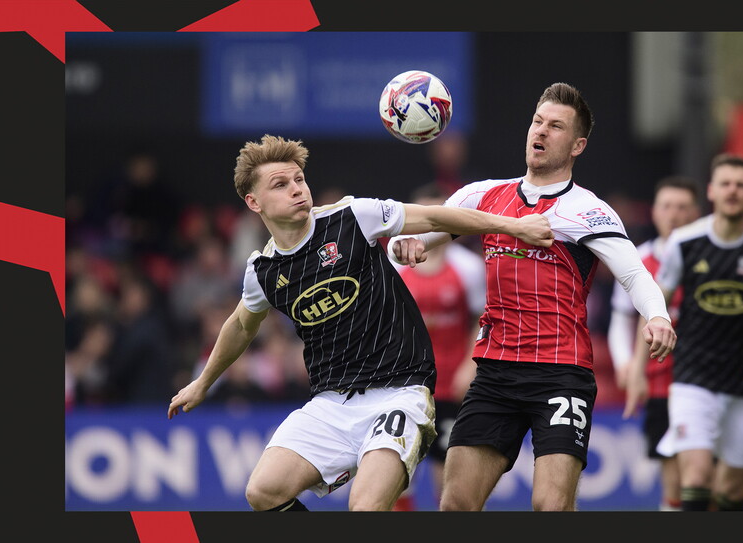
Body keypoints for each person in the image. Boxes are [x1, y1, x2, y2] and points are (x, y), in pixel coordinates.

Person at [167, 134, 554, 512]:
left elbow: (435, 216)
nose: (297, 189)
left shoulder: (353, 218)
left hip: (401, 391)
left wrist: (514, 226)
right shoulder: (263, 271)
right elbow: (240, 326)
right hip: (330, 404)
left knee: (366, 507)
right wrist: (203, 383)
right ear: (254, 202)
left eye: (299, 179)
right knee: (262, 491)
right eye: (281, 185)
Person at [389, 82, 677, 511]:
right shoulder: (482, 196)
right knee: (455, 505)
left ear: (578, 145)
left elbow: (634, 274)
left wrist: (657, 316)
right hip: (496, 372)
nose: (540, 132)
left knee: (551, 507)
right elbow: (416, 240)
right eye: (537, 121)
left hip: (561, 372)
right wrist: (408, 246)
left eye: (556, 126)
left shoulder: (588, 210)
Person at [649, 153, 743, 511]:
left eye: (741, 185)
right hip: (692, 375)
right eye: (725, 183)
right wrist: (648, 346)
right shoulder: (685, 242)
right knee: (698, 476)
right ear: (711, 192)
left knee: (732, 490)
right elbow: (658, 300)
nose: (732, 191)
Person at [390, 182, 486, 510]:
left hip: (451, 386)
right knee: (398, 477)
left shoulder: (469, 268)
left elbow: (484, 318)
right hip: (404, 385)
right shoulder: (395, 265)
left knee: (449, 478)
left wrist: (470, 365)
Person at [607, 175, 700, 511]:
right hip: (660, 379)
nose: (673, 214)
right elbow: (622, 316)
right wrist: (626, 364)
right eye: (666, 206)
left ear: (695, 213)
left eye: (682, 207)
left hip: (703, 377)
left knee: (705, 472)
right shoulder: (636, 261)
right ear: (655, 212)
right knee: (671, 467)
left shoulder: (707, 257)